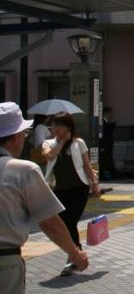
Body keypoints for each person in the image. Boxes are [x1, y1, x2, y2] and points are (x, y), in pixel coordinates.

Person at [0, 103, 89, 292]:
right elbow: (48, 222)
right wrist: (75, 254)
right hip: (5, 262)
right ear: (15, 137)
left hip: (77, 188)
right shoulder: (23, 170)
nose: (25, 138)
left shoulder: (78, 143)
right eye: (24, 134)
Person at [40, 113, 101, 276]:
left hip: (79, 188)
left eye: (59, 125)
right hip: (59, 190)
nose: (55, 128)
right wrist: (61, 142)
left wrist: (95, 184)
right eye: (53, 125)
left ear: (68, 127)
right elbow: (49, 156)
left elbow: (88, 166)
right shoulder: (49, 143)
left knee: (70, 220)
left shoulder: (79, 143)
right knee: (66, 223)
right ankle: (76, 253)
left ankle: (72, 257)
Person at [100, 107, 116, 180]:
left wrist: (113, 122)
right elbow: (103, 135)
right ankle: (103, 174)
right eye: (110, 113)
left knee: (108, 159)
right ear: (106, 113)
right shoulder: (101, 122)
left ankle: (109, 174)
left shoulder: (108, 122)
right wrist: (101, 146)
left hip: (109, 144)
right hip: (104, 144)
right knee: (104, 160)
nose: (111, 114)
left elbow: (111, 129)